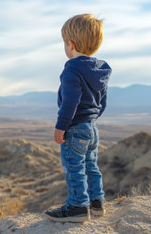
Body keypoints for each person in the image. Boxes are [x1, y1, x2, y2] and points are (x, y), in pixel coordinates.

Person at [44, 14, 112, 223]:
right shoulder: (100, 69)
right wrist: (91, 118)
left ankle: (77, 207)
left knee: (74, 167)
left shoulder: (72, 69)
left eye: (64, 43)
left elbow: (69, 103)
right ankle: (96, 203)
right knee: (91, 165)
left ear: (70, 44)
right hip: (92, 128)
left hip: (75, 129)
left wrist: (60, 127)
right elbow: (102, 102)